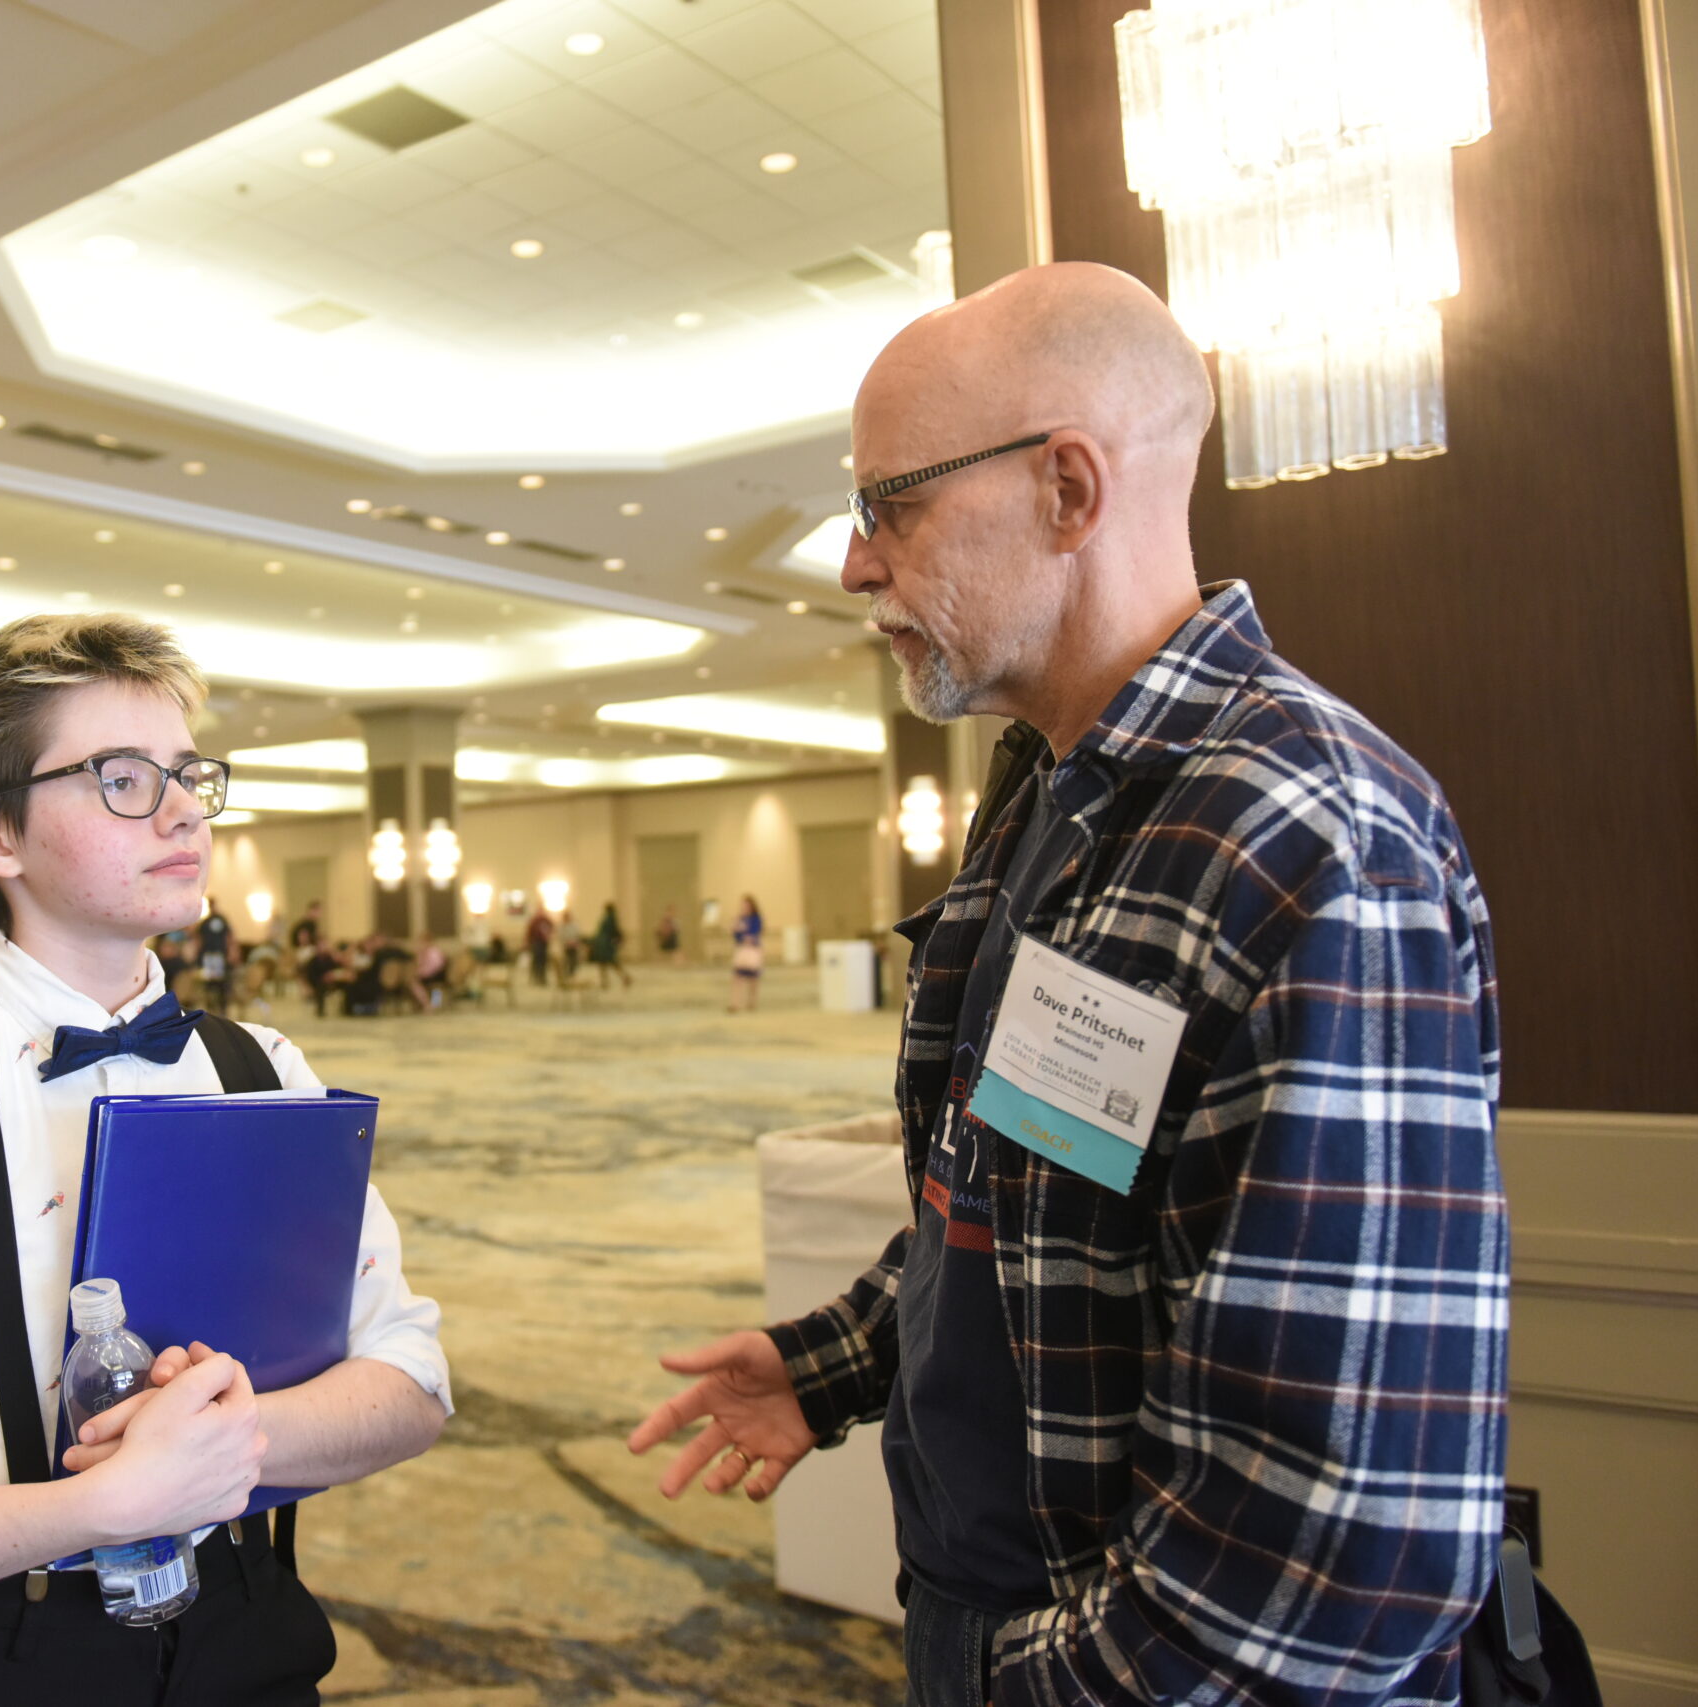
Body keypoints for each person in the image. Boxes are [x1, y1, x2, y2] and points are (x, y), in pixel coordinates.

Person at [627, 264, 1507, 1707]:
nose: (854, 564)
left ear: (1070, 492)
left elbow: (1343, 1542)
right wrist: (838, 1358)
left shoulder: (1306, 837)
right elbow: (1034, 1179)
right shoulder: (1050, 790)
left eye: (889, 503)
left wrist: (1027, 1677)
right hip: (995, 1611)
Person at [0, 613, 448, 1703]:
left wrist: (234, 1434)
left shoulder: (265, 1071)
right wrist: (106, 1503)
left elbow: (410, 1386)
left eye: (188, 772)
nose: (185, 807)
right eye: (120, 777)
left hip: (249, 1646)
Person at [725, 894, 763, 1012]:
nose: (744, 908)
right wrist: (735, 928)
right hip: (741, 950)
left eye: (746, 905)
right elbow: (736, 935)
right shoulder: (739, 919)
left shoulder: (756, 919)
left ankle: (751, 1002)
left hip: (752, 951)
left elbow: (756, 932)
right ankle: (735, 1003)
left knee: (753, 979)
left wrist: (748, 936)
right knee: (737, 977)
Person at [197, 898, 235, 1016]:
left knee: (222, 982)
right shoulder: (205, 922)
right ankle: (211, 1008)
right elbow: (199, 938)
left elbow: (229, 936)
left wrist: (231, 951)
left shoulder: (222, 919)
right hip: (208, 956)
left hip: (220, 955)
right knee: (209, 983)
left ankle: (223, 1008)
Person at [588, 903, 633, 990]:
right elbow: (615, 930)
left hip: (602, 944)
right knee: (611, 962)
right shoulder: (611, 919)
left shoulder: (606, 919)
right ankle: (622, 978)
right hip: (605, 944)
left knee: (604, 963)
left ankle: (606, 981)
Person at [523, 908, 554, 985]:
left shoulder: (546, 920)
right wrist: (527, 942)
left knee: (543, 962)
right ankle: (535, 978)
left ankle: (542, 978)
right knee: (536, 961)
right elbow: (529, 932)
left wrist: (549, 935)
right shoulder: (534, 921)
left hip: (544, 944)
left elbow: (552, 927)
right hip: (536, 943)